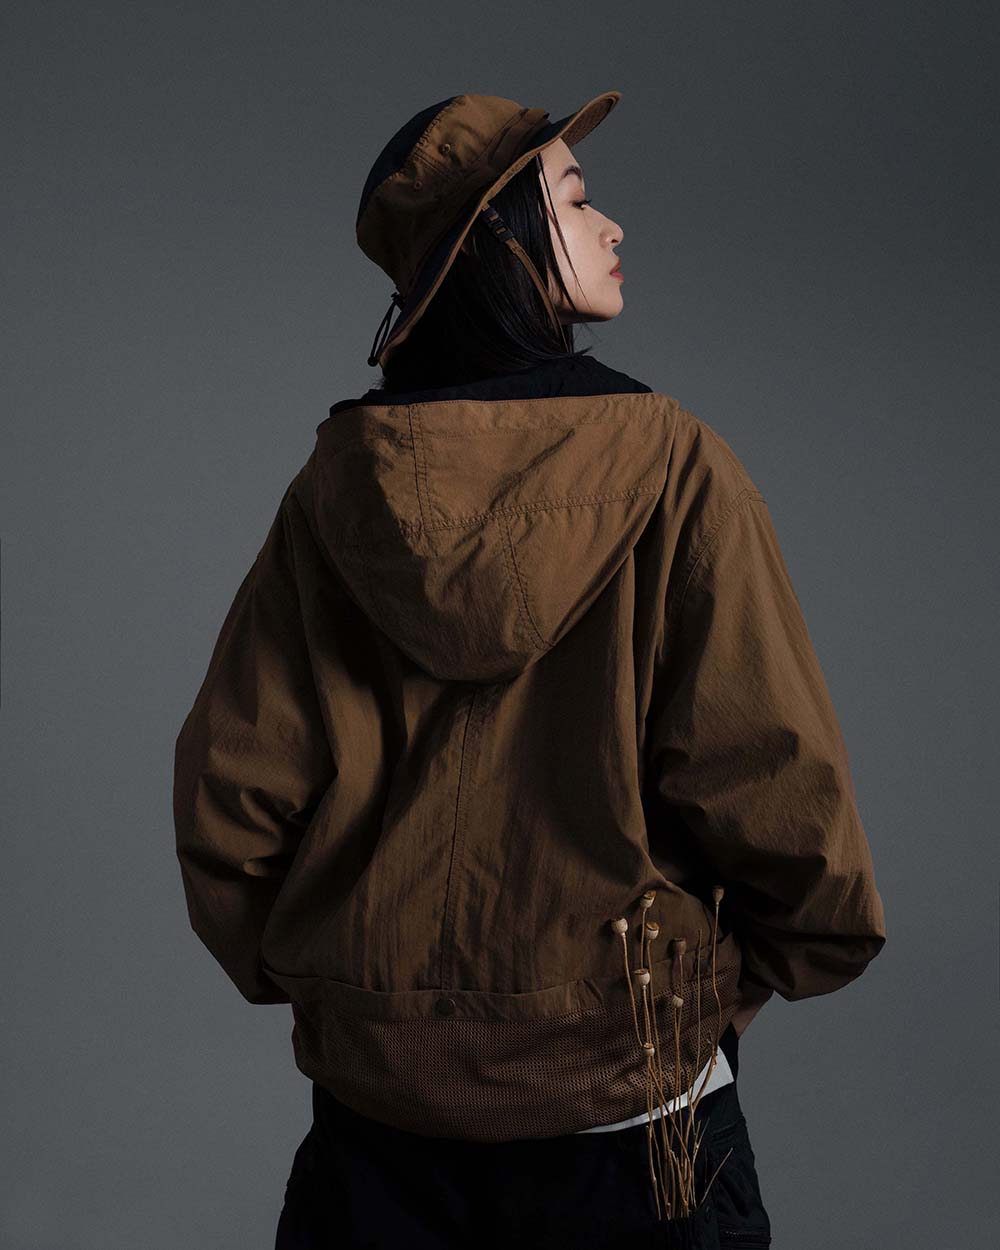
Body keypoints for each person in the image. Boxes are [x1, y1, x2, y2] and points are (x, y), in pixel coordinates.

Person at [172, 91, 887, 1250]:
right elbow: (773, 781)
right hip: (634, 1115)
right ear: (497, 246)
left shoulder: (336, 492)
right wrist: (715, 995)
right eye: (575, 198)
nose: (612, 225)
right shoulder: (676, 466)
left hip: (378, 1131)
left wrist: (361, 999)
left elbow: (231, 798)